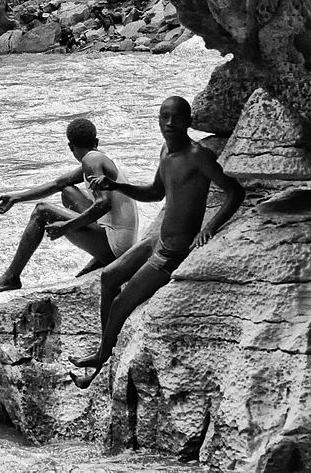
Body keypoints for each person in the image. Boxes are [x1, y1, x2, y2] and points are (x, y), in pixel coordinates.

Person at [68, 96, 245, 389]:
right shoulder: (165, 151)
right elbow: (154, 193)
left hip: (171, 254)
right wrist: (116, 186)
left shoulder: (198, 155)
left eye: (177, 118)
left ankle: (99, 365)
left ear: (188, 122)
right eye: (165, 117)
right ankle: (103, 349)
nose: (170, 124)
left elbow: (235, 192)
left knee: (121, 304)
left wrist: (210, 228)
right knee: (109, 278)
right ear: (158, 121)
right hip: (157, 241)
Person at [0, 118, 139, 295]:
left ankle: (11, 277)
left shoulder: (91, 162)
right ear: (96, 142)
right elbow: (58, 184)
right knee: (68, 191)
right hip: (120, 241)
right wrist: (17, 197)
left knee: (42, 211)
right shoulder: (99, 158)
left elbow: (103, 204)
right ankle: (98, 259)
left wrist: (66, 226)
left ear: (70, 147)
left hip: (116, 249)